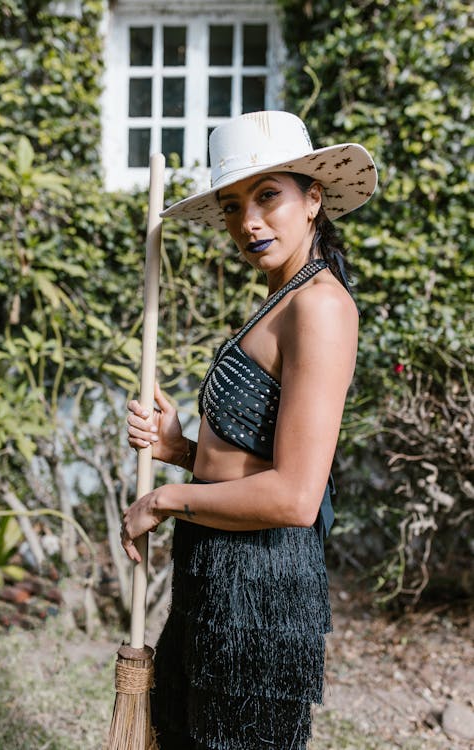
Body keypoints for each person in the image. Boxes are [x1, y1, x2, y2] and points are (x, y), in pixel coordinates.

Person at [122, 110, 377, 750]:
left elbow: (294, 496)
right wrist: (180, 449)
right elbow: (252, 461)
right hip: (215, 572)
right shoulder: (282, 296)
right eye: (233, 206)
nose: (248, 222)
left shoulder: (318, 306)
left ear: (313, 199)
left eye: (268, 196)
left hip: (262, 591)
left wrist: (163, 497)